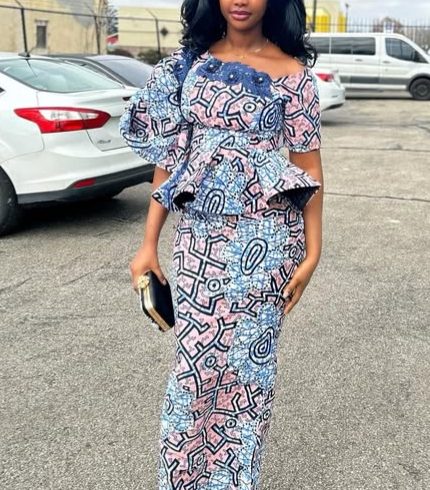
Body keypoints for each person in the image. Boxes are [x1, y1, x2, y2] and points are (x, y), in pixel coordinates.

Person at [119, 0, 324, 487]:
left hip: (269, 242)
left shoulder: (296, 77)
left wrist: (314, 252)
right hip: (199, 241)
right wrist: (148, 243)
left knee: (249, 374)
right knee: (193, 369)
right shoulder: (190, 66)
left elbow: (309, 166)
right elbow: (171, 159)